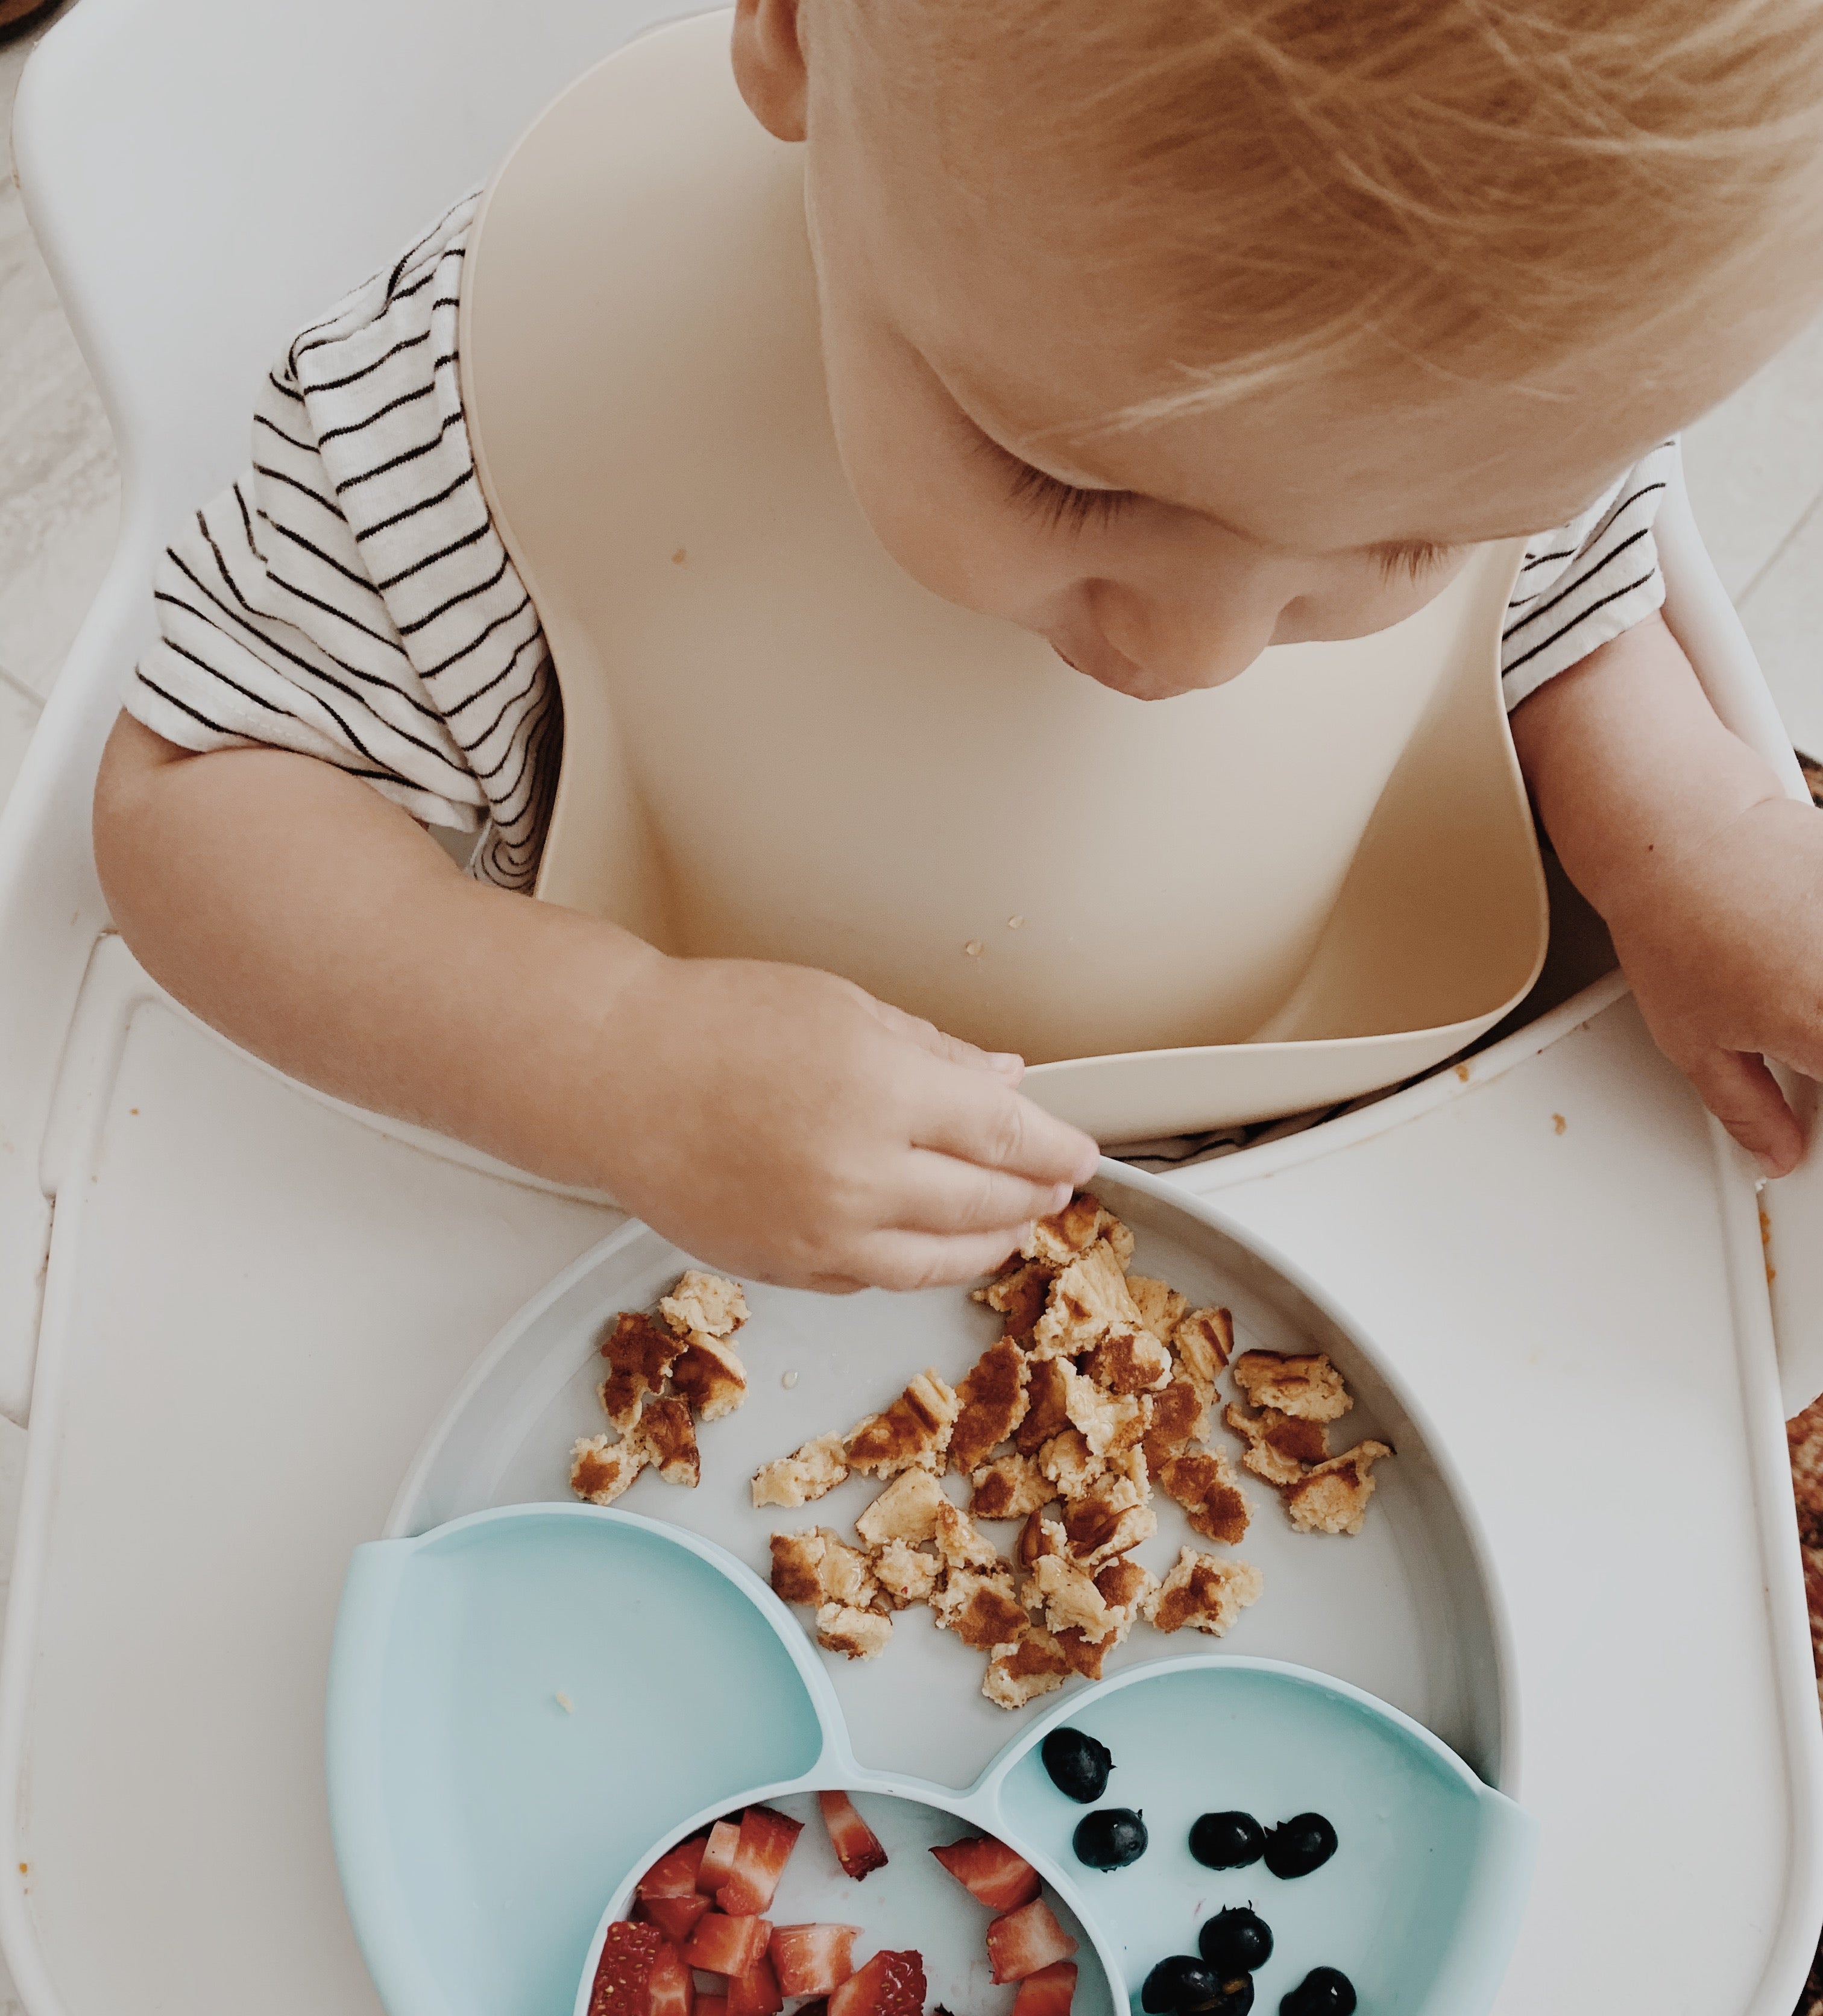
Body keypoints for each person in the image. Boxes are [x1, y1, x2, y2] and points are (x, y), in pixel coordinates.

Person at [92, 0, 1823, 1292]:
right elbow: (194, 798)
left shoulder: (1492, 393)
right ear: (794, 36)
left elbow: (1557, 593)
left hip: (1334, 1208)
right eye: (1068, 484)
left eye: (1401, 546)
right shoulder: (511, 390)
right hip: (682, 1244)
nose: (1199, 653)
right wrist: (604, 1059)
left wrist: (1691, 839)